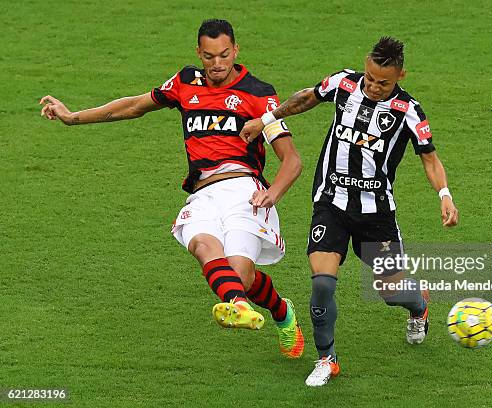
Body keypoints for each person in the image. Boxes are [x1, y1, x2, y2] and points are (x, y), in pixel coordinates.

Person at [39, 19, 305, 359]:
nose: (217, 64)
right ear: (199, 53)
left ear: (235, 50)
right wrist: (72, 116)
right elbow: (134, 106)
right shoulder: (185, 82)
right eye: (209, 57)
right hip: (204, 193)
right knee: (201, 245)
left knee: (242, 273)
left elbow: (292, 160)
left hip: (245, 191)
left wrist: (274, 193)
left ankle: (282, 313)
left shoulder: (259, 93)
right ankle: (237, 304)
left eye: (224, 55)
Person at [240, 36, 459, 385]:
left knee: (390, 292)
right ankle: (327, 359)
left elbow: (429, 159)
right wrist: (266, 118)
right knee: (323, 283)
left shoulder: (409, 111)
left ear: (400, 75)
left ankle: (418, 304)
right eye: (370, 78)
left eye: (383, 82)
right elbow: (306, 98)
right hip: (332, 203)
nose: (373, 86)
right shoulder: (344, 82)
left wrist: (444, 195)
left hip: (377, 213)